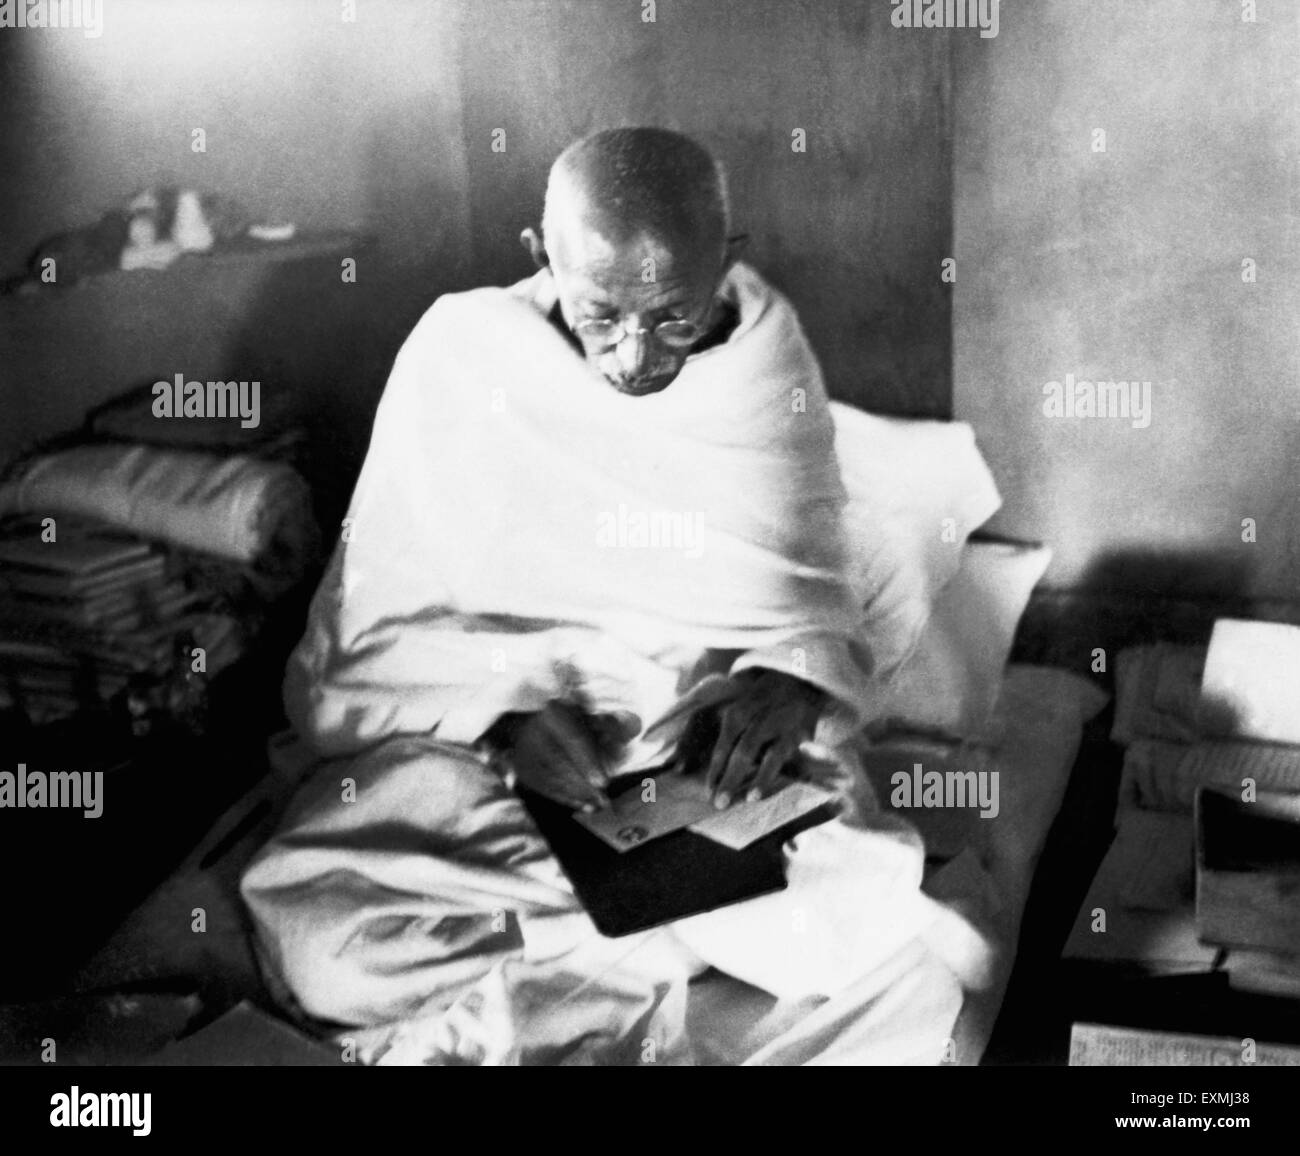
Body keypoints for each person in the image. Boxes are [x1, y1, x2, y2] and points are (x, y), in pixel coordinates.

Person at [241, 127, 990, 1065]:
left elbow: (809, 602)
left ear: (727, 261)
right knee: (322, 940)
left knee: (853, 902)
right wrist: (500, 718)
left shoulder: (765, 362)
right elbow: (381, 620)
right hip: (484, 757)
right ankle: (624, 946)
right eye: (602, 314)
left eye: (674, 317)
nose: (636, 358)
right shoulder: (463, 356)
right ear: (538, 255)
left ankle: (575, 950)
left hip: (692, 745)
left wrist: (788, 682)